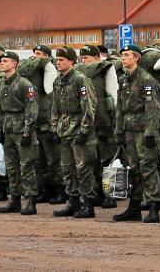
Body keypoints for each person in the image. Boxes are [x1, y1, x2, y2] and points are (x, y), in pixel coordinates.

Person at [113, 44, 160, 223]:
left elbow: (153, 108)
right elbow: (120, 107)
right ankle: (134, 207)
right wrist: (119, 130)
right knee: (134, 169)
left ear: (136, 58)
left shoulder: (146, 80)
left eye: (127, 55)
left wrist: (150, 132)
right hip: (129, 130)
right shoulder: (123, 79)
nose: (123, 58)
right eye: (122, 55)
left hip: (143, 130)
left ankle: (154, 206)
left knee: (148, 167)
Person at [51, 46, 98, 219]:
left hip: (79, 129)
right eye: (57, 60)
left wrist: (85, 130)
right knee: (67, 168)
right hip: (64, 130)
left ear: (71, 61)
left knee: (83, 168)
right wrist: (54, 127)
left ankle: (88, 203)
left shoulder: (80, 80)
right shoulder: (58, 81)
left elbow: (89, 106)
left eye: (62, 60)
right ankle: (73, 201)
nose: (58, 63)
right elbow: (54, 107)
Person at [0, 52, 39, 215]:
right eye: (1, 61)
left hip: (22, 130)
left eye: (5, 61)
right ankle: (14, 200)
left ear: (14, 64)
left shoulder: (24, 84)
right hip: (8, 130)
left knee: (26, 166)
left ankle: (31, 201)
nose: (1, 63)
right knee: (11, 167)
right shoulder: (1, 84)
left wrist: (28, 132)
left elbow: (31, 109)